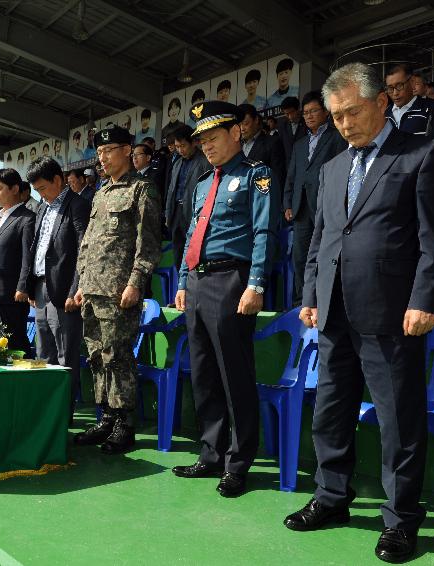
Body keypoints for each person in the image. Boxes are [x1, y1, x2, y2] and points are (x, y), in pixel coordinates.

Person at [283, 63, 434, 564]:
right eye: (335, 116)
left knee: (398, 420)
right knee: (329, 411)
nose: (342, 124)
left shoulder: (420, 154)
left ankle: (401, 520)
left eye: (351, 112)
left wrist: (425, 299)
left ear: (382, 103)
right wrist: (310, 294)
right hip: (334, 311)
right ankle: (332, 497)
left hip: (392, 313)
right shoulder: (334, 166)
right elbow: (321, 238)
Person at [171, 101, 279, 498]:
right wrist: (182, 279)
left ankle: (238, 462)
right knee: (203, 373)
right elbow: (188, 236)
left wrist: (256, 284)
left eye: (213, 138)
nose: (207, 147)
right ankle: (211, 453)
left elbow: (265, 232)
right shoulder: (201, 182)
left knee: (234, 375)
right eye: (202, 141)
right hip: (198, 283)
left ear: (236, 133)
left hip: (232, 280)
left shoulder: (257, 175)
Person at [73, 126, 162, 454]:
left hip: (118, 290)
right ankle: (106, 417)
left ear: (127, 150)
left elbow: (148, 241)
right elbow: (89, 243)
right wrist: (82, 283)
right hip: (93, 288)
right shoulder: (100, 192)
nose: (103, 157)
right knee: (97, 355)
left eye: (108, 150)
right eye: (99, 153)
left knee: (119, 356)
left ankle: (124, 423)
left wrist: (135, 283)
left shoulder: (142, 189)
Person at [26, 157, 90, 412]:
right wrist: (30, 286)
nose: (41, 194)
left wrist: (76, 288)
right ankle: (46, 414)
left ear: (57, 179)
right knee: (44, 355)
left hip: (64, 290)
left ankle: (64, 414)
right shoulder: (43, 208)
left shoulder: (78, 205)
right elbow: (36, 249)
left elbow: (82, 250)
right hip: (41, 289)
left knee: (65, 357)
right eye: (37, 191)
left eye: (43, 188)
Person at [282, 90, 346, 304]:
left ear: (326, 112)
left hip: (325, 205)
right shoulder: (299, 143)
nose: (308, 116)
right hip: (300, 207)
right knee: (300, 257)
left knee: (325, 255)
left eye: (313, 111)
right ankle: (302, 301)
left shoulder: (336, 137)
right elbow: (291, 175)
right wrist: (287, 202)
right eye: (305, 112)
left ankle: (326, 301)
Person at [0, 169, 35, 355]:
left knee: (13, 344)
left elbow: (28, 256)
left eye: (0, 188)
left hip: (9, 294)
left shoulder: (26, 218)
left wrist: (23, 286)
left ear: (15, 189)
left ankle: (24, 382)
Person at [165, 125, 211, 271]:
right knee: (178, 254)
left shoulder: (205, 161)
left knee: (196, 251)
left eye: (183, 146)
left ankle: (197, 284)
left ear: (193, 142)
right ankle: (181, 287)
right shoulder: (177, 163)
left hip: (194, 214)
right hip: (176, 213)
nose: (180, 150)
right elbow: (171, 189)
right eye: (177, 147)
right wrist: (168, 213)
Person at [384, 63, 434, 141]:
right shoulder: (384, 114)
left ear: (412, 82)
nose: (395, 93)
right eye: (390, 88)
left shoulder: (433, 108)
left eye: (399, 85)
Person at [238, 104, 287, 188]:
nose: (242, 128)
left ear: (256, 120)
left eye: (246, 123)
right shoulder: (237, 145)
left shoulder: (272, 143)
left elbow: (278, 177)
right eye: (239, 125)